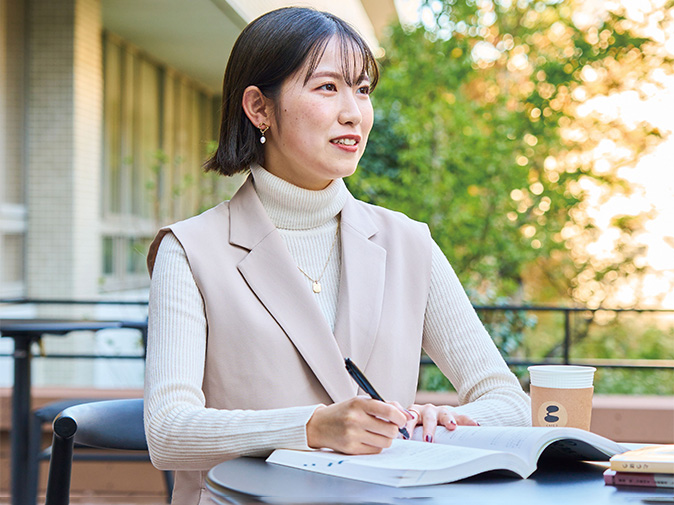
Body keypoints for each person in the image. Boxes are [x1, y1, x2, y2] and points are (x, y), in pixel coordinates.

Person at [144, 6, 530, 504]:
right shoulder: (190, 250)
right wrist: (311, 426)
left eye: (363, 89)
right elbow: (169, 431)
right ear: (259, 108)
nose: (354, 112)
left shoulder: (408, 242)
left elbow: (508, 401)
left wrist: (453, 419)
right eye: (328, 88)